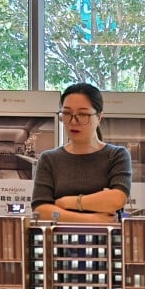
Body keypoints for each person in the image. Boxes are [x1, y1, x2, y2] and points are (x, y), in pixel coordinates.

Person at [31, 83, 131, 222]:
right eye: (67, 114)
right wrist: (93, 219)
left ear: (99, 117)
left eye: (82, 114)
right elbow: (41, 210)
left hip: (106, 240)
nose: (73, 121)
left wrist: (66, 202)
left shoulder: (116, 155)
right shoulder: (49, 159)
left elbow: (117, 199)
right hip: (59, 241)